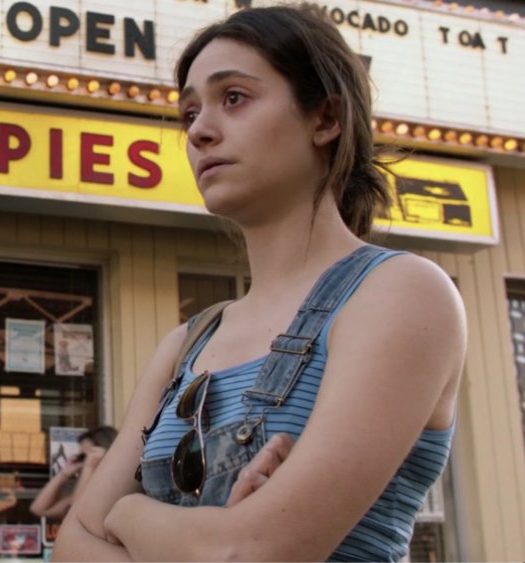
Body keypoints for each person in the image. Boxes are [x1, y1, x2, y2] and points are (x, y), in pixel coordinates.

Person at [52, 5, 466, 562]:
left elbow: (248, 554)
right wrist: (213, 536)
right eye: (189, 112)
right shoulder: (185, 344)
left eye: (234, 98)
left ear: (326, 119)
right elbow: (71, 550)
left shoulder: (400, 293)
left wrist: (128, 515)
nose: (199, 130)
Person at [31, 426, 117, 519]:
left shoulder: (118, 492)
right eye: (82, 457)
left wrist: (89, 468)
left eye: (88, 456)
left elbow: (78, 514)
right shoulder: (81, 494)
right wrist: (64, 474)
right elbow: (39, 509)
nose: (86, 461)